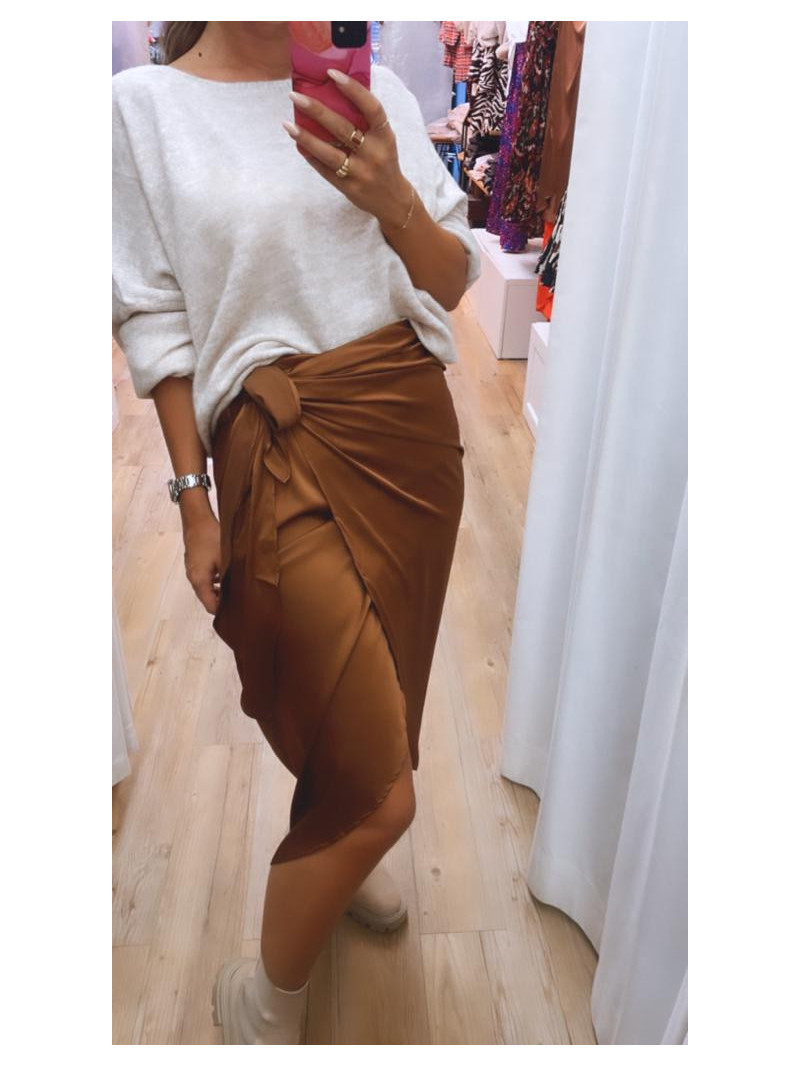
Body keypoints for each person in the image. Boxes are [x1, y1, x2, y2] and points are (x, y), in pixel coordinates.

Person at [112, 21, 481, 1044]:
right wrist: (192, 498)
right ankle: (265, 1003)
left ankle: (342, 842)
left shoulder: (378, 94)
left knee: (385, 693)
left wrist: (392, 196)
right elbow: (155, 318)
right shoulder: (144, 111)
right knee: (384, 788)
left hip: (407, 428)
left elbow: (450, 279)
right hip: (272, 441)